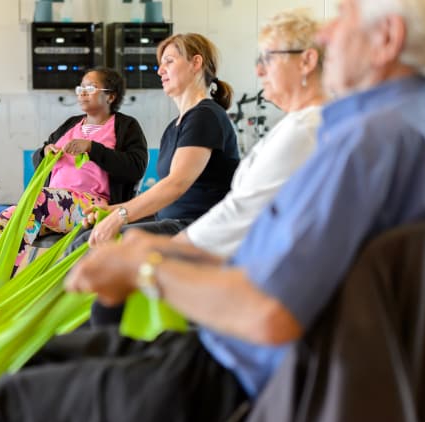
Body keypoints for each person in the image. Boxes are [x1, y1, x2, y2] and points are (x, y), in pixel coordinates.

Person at [0, 0, 425, 421]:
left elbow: (270, 311)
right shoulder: (410, 125)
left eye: (342, 15)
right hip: (244, 352)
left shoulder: (366, 141)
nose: (325, 33)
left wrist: (148, 265)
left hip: (234, 371)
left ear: (386, 38)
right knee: (38, 358)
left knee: (1, 399)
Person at [91, 9, 327, 326]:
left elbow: (230, 207)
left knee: (105, 288)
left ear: (308, 62)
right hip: (219, 245)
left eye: (269, 58)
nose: (258, 71)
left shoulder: (305, 129)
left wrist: (157, 247)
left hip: (224, 250)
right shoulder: (295, 127)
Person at [0, 67, 147, 318]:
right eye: (80, 88)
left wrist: (93, 148)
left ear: (110, 96)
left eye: (90, 88)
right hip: (52, 206)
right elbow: (42, 155)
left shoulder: (126, 127)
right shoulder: (70, 124)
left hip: (94, 207)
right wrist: (44, 152)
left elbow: (135, 167)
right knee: (0, 223)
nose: (82, 93)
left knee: (40, 199)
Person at [82, 33, 240, 248]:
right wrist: (111, 211)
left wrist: (120, 215)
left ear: (195, 63)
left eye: (169, 61)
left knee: (86, 247)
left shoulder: (205, 116)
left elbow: (176, 184)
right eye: (160, 64)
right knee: (84, 236)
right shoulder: (174, 127)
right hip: (172, 223)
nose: (160, 70)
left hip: (197, 229)